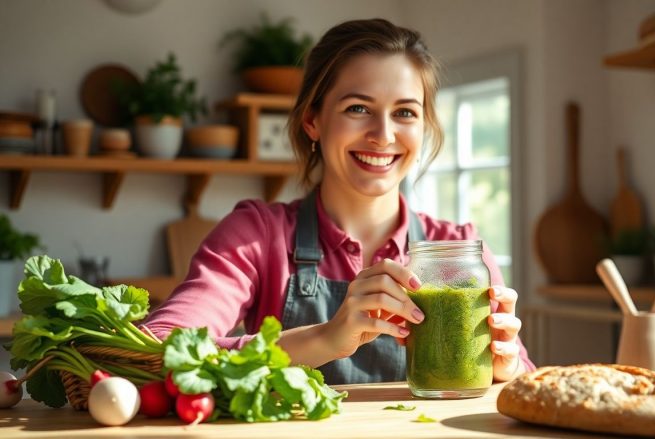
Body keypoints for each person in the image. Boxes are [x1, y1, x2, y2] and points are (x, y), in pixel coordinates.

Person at [144, 18, 535, 384]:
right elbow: (154, 351)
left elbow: (519, 386)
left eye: (404, 112)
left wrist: (507, 367)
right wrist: (326, 338)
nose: (383, 136)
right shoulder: (258, 236)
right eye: (358, 109)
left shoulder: (458, 252)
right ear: (312, 120)